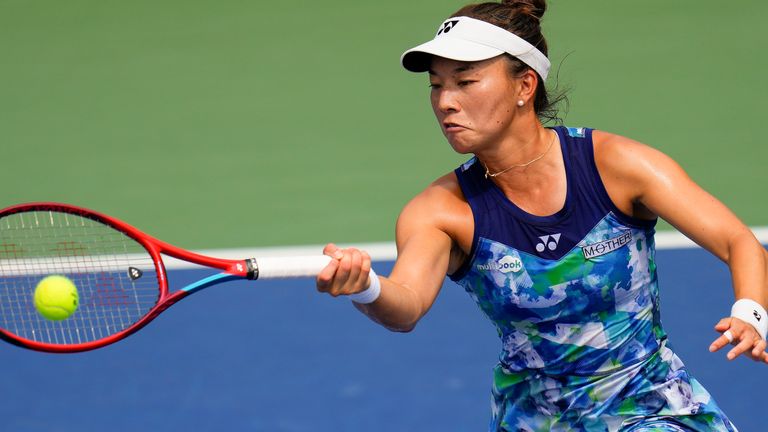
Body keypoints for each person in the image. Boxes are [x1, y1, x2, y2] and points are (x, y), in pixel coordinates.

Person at [316, 0, 768, 430]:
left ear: (524, 86)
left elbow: (738, 241)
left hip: (652, 408)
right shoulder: (441, 210)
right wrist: (367, 286)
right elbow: (406, 306)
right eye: (436, 84)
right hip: (535, 420)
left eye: (465, 81)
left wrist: (751, 312)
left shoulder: (618, 166)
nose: (445, 102)